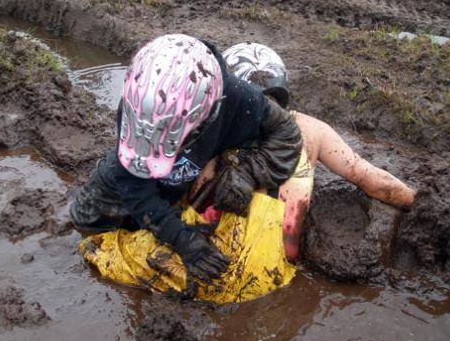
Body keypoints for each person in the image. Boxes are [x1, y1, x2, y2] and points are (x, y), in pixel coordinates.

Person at [69, 34, 303, 285]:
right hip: (124, 180)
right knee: (84, 224)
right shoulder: (140, 99)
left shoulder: (240, 99)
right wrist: (181, 238)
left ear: (208, 113)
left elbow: (287, 135)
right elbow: (133, 185)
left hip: (183, 181)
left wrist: (248, 174)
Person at [220, 42, 415, 261]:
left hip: (219, 259)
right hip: (278, 265)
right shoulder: (312, 130)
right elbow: (372, 180)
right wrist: (416, 203)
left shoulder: (215, 133)